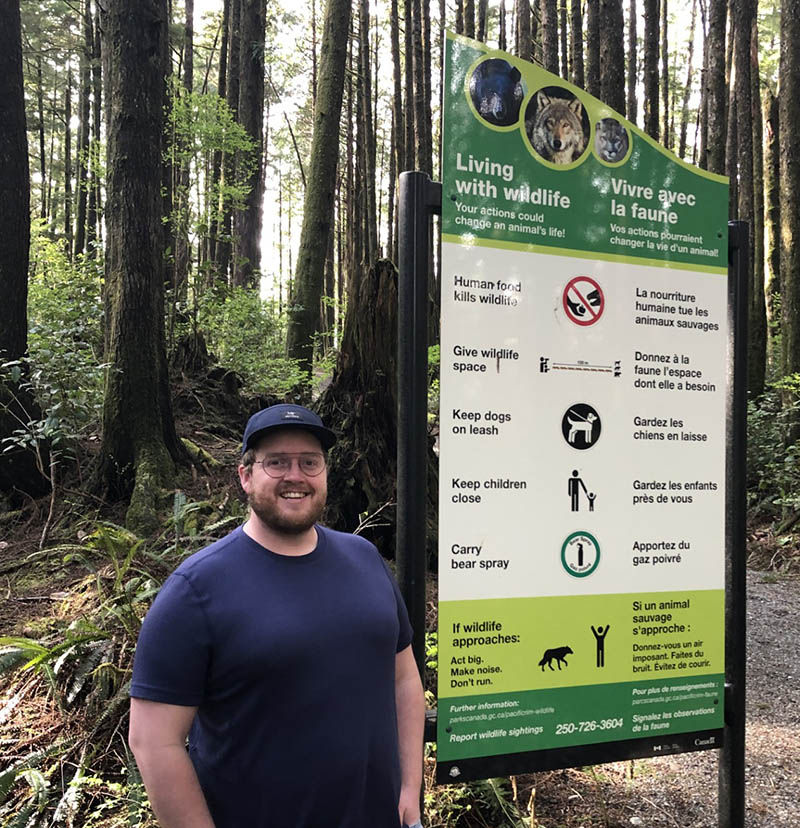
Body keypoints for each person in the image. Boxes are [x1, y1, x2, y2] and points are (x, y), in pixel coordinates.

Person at [128, 403, 425, 828]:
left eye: (310, 462)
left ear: (324, 473)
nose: (295, 476)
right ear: (245, 475)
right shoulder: (195, 590)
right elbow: (154, 741)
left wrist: (410, 789)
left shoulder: (365, 559)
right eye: (276, 463)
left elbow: (403, 678)